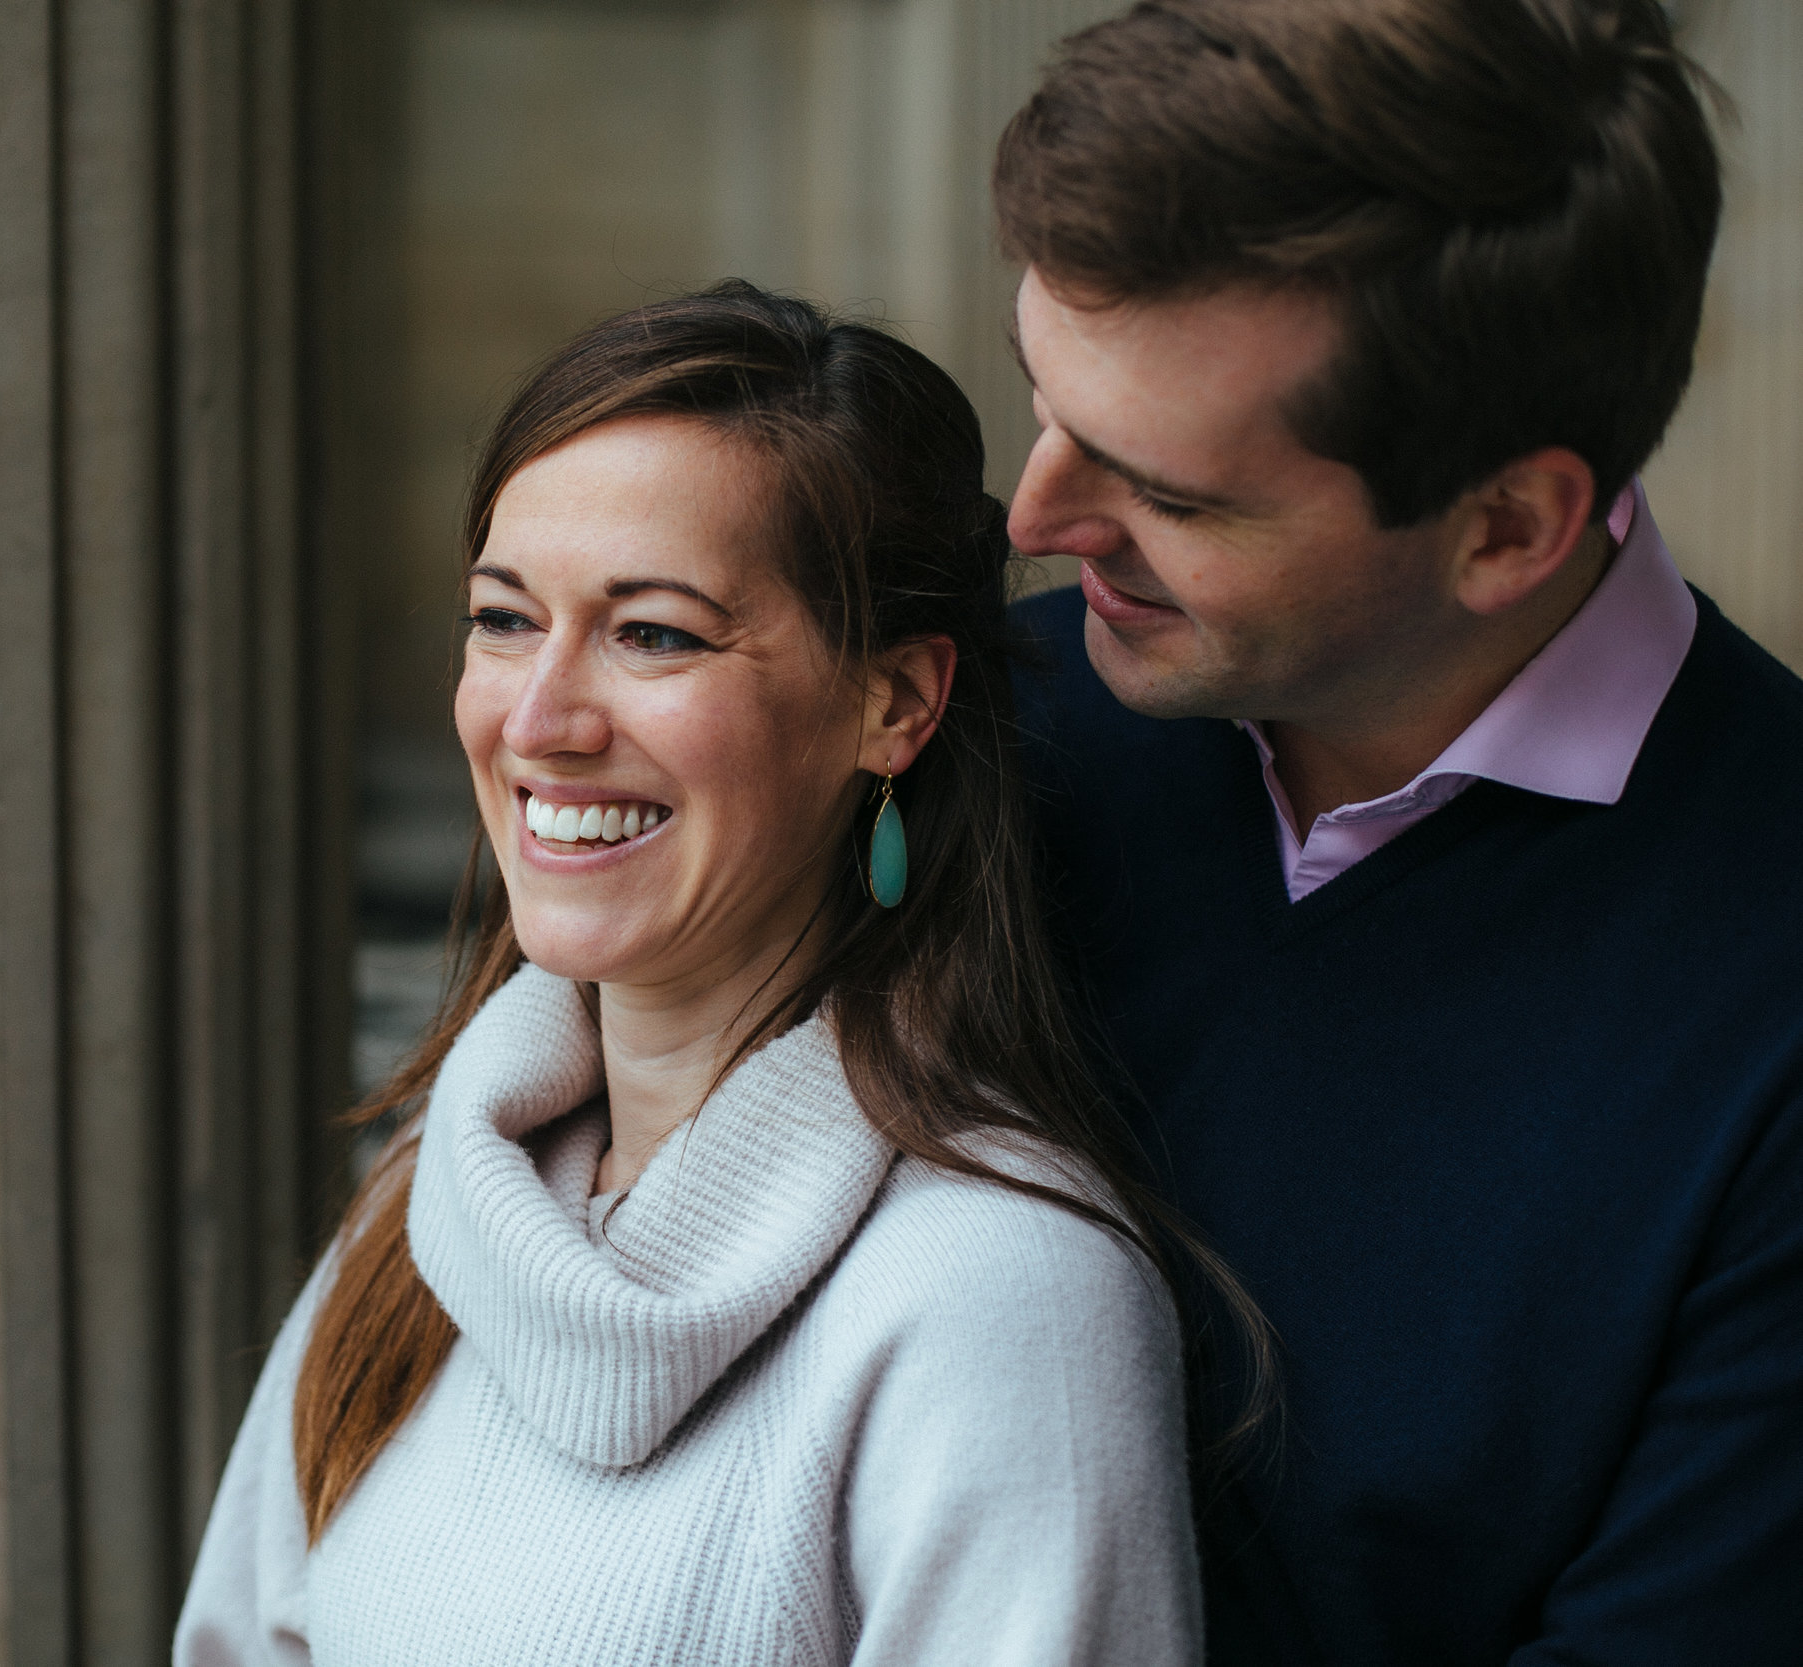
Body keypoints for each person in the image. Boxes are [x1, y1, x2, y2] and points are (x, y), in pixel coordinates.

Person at [174, 283, 1229, 1665]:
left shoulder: (999, 1300)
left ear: (895, 703)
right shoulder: (431, 1193)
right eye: (503, 619)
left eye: (654, 633)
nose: (541, 720)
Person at [992, 3, 1803, 1663]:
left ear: (1508, 526)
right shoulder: (986, 725)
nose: (1036, 516)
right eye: (1044, 400)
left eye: (1173, 493)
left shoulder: (1770, 989)